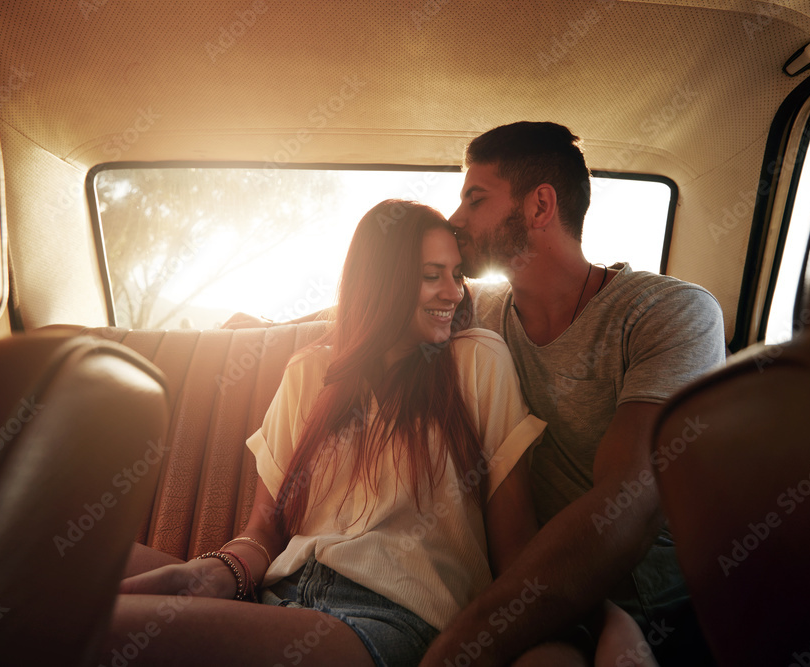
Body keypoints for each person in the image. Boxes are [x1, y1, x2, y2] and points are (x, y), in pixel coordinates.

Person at [106, 200, 659, 667]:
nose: (454, 293)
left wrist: (599, 617)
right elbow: (262, 532)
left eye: (456, 274)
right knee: (56, 573)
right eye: (431, 275)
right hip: (278, 591)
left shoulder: (477, 361)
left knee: (97, 631)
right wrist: (215, 570)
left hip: (389, 618)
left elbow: (515, 550)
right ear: (381, 282)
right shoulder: (310, 372)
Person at [419, 122, 726, 667]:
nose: (455, 219)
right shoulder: (482, 310)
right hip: (529, 599)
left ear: (540, 207)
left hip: (658, 614)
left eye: (475, 198)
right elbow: (377, 317)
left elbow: (627, 502)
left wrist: (460, 647)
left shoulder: (670, 314)